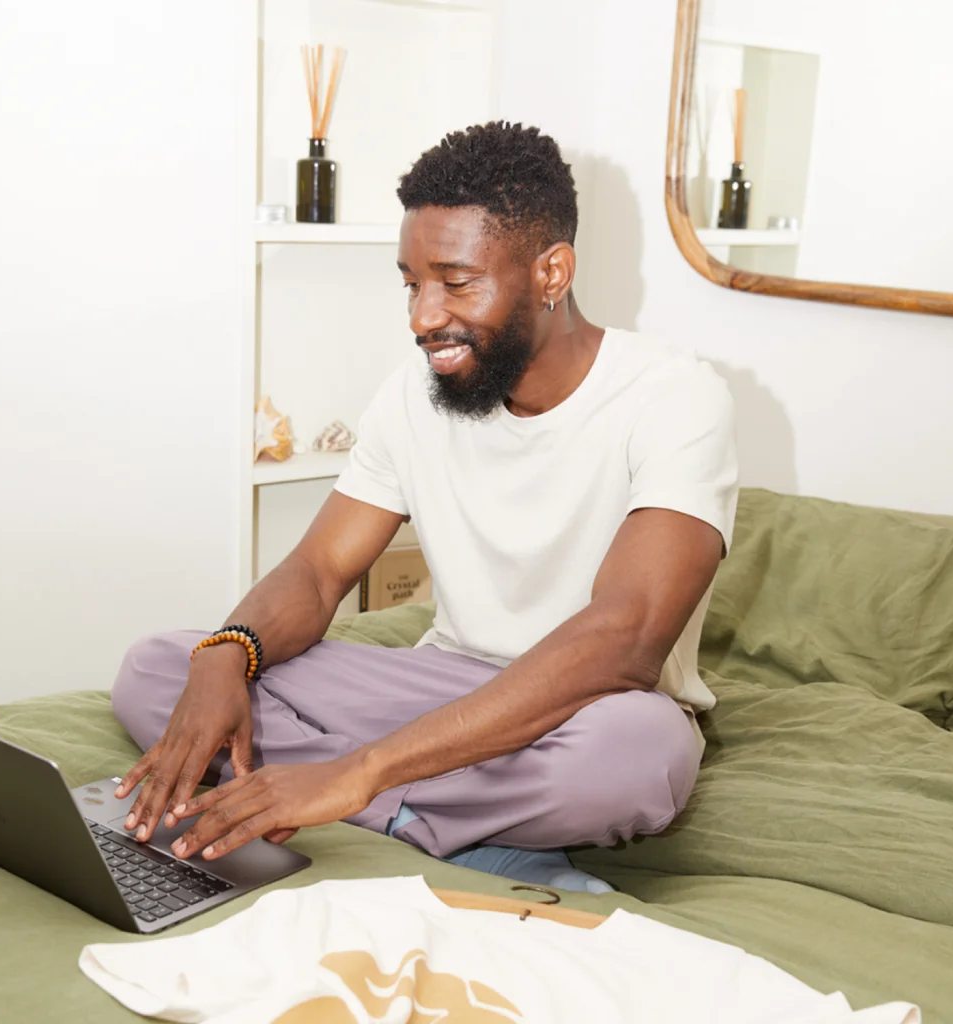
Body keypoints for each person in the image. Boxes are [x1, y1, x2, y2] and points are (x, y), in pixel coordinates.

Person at [111, 121, 738, 893]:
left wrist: (361, 770)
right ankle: (449, 830)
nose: (421, 316)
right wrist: (224, 654)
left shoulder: (676, 396)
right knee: (157, 669)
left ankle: (364, 803)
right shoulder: (415, 394)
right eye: (412, 283)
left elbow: (625, 639)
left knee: (643, 752)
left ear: (552, 272)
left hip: (587, 706)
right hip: (438, 686)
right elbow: (316, 571)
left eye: (456, 281)